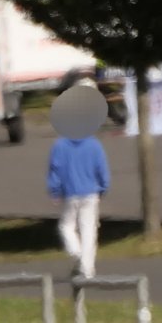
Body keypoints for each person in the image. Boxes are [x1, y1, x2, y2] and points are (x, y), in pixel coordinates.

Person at [47, 120, 111, 280]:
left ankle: (76, 252)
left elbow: (54, 169)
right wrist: (104, 187)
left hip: (70, 193)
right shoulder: (94, 145)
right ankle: (87, 268)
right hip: (91, 193)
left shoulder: (60, 145)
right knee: (89, 230)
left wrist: (55, 190)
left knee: (66, 226)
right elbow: (101, 168)